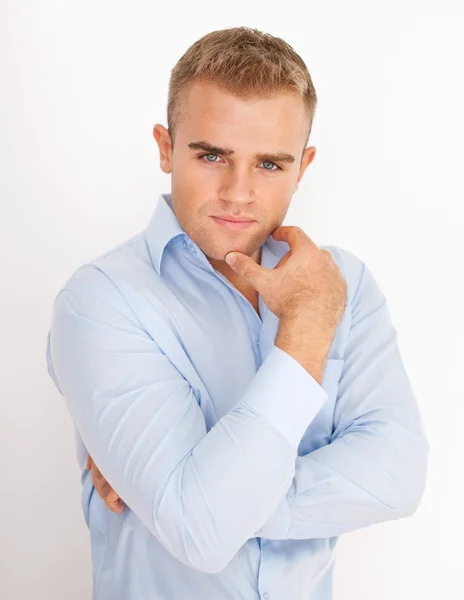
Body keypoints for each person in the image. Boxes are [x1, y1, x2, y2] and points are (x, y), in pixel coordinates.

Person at [46, 26, 429, 600]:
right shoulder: (101, 300)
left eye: (270, 164)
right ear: (166, 148)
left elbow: (399, 476)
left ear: (304, 166)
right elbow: (201, 535)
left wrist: (205, 498)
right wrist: (305, 331)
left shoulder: (343, 282)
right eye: (211, 155)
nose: (238, 192)